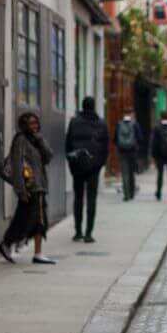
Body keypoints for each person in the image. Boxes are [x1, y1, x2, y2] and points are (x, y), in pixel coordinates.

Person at [0, 112, 54, 265]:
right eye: (31, 123)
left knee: (39, 221)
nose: (34, 126)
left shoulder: (37, 140)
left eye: (36, 122)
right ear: (24, 125)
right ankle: (7, 243)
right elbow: (17, 166)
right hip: (29, 188)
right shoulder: (20, 140)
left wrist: (40, 139)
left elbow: (49, 157)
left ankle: (38, 253)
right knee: (23, 220)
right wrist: (21, 190)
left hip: (40, 187)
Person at [65, 96, 109, 242]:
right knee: (91, 199)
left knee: (78, 198)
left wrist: (71, 164)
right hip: (93, 167)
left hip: (77, 165)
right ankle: (89, 233)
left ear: (83, 106)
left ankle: (78, 231)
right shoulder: (101, 124)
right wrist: (99, 164)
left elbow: (68, 145)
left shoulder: (74, 122)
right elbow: (106, 147)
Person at [114, 109, 143, 201]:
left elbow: (115, 139)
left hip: (122, 152)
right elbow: (140, 137)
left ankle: (126, 195)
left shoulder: (119, 124)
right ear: (131, 114)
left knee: (125, 173)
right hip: (132, 151)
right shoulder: (135, 124)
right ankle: (131, 193)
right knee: (131, 172)